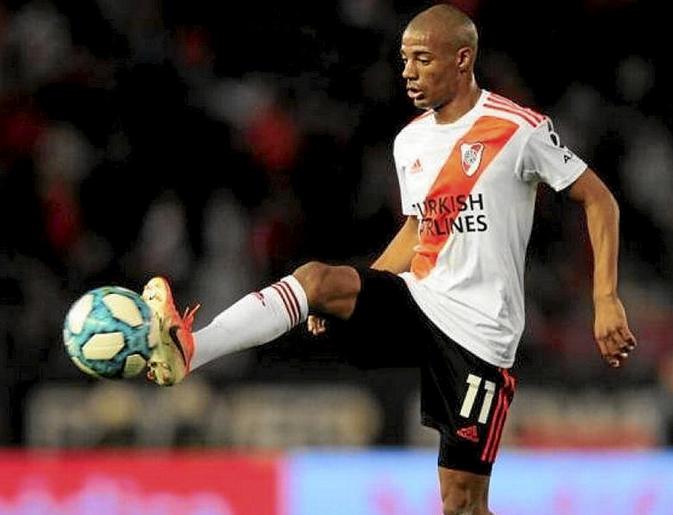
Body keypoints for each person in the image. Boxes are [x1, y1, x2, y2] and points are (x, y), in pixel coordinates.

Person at [141, 4, 637, 514]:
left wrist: (605, 297)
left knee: (462, 503)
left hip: (480, 336)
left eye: (422, 59)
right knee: (315, 280)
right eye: (404, 60)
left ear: (463, 59)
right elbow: (421, 229)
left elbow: (600, 199)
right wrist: (354, 289)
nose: (407, 72)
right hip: (421, 301)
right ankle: (190, 351)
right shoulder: (410, 142)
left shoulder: (518, 128)